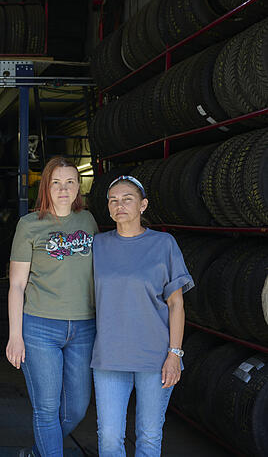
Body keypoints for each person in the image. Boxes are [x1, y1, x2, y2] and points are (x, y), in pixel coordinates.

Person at [91, 175, 192, 457]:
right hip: (110, 356)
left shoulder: (164, 244)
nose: (119, 205)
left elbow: (176, 304)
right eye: (113, 200)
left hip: (155, 357)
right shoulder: (97, 245)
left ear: (143, 205)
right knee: (109, 437)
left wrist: (174, 354)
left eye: (127, 199)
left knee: (148, 435)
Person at [6, 156, 98, 457]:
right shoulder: (29, 225)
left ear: (79, 187)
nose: (63, 188)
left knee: (76, 409)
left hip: (84, 327)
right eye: (56, 182)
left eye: (70, 182)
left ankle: (37, 453)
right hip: (39, 327)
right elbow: (17, 285)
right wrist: (15, 336)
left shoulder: (88, 221)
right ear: (46, 186)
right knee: (46, 408)